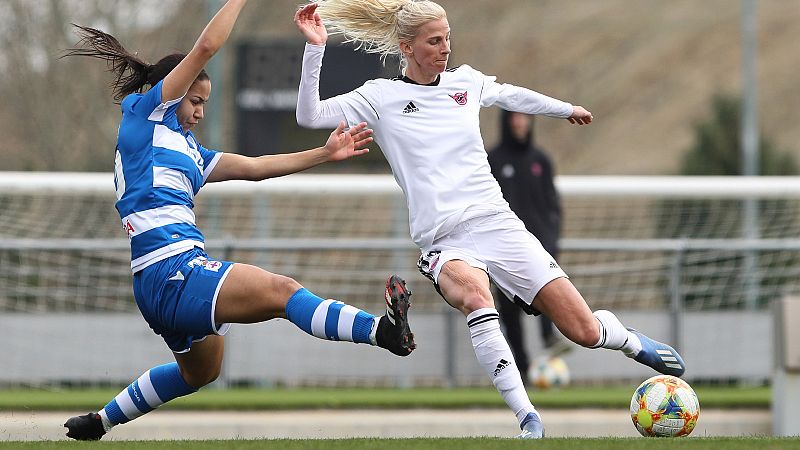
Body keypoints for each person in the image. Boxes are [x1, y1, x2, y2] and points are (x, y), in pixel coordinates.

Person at [294, 0, 686, 439]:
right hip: (444, 241)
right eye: (434, 40)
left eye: (448, 37)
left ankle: (625, 338)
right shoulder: (380, 97)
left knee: (582, 331)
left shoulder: (467, 82)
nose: (445, 48)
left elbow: (513, 94)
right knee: (478, 300)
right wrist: (316, 50)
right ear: (407, 46)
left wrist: (566, 108)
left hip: (498, 224)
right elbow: (310, 116)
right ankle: (528, 418)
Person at [61, 0, 415, 441]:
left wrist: (323, 154)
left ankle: (101, 421)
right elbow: (208, 45)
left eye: (205, 104)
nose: (201, 112)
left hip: (157, 281)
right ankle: (380, 332)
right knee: (283, 292)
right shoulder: (145, 115)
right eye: (195, 100)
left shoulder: (190, 152)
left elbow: (255, 166)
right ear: (173, 91)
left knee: (201, 373)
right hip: (173, 270)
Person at [488, 111, 569, 385]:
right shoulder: (493, 160)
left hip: (539, 244)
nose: (519, 123)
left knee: (547, 290)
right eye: (515, 118)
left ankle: (550, 335)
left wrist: (553, 238)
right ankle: (521, 369)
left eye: (524, 117)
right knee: (510, 312)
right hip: (503, 249)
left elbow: (552, 204)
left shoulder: (541, 161)